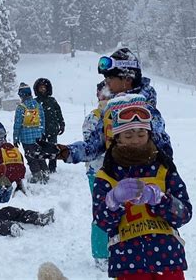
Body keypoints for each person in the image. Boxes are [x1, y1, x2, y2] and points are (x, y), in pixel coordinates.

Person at [92, 94, 192, 279]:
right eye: (128, 135)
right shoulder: (106, 175)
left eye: (141, 134)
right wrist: (113, 201)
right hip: (128, 264)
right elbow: (102, 222)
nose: (136, 140)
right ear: (118, 138)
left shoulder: (164, 168)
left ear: (149, 134)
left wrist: (161, 200)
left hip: (168, 260)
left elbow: (184, 214)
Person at [34, 47, 172, 166]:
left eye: (110, 78)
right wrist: (64, 152)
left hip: (148, 185)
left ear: (127, 79)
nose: (106, 83)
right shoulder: (111, 111)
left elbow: (164, 149)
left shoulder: (146, 111)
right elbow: (94, 147)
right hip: (118, 184)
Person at [83, 81, 111, 270]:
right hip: (98, 172)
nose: (106, 99)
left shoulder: (119, 113)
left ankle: (114, 247)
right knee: (102, 211)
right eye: (104, 95)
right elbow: (90, 145)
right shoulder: (93, 117)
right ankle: (101, 254)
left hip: (116, 171)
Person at [13, 82, 47, 184]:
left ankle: (36, 175)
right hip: (38, 137)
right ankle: (45, 172)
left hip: (26, 138)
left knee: (31, 157)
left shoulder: (21, 107)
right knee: (40, 155)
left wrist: (15, 138)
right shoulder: (37, 105)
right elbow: (42, 120)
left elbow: (17, 124)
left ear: (22, 95)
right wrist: (42, 132)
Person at [33, 78, 65, 173]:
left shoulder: (52, 100)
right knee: (40, 149)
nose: (42, 89)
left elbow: (59, 113)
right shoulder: (35, 102)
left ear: (48, 89)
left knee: (53, 148)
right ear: (37, 89)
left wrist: (62, 124)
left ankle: (52, 167)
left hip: (52, 129)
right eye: (40, 87)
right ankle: (42, 167)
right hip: (40, 130)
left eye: (44, 87)